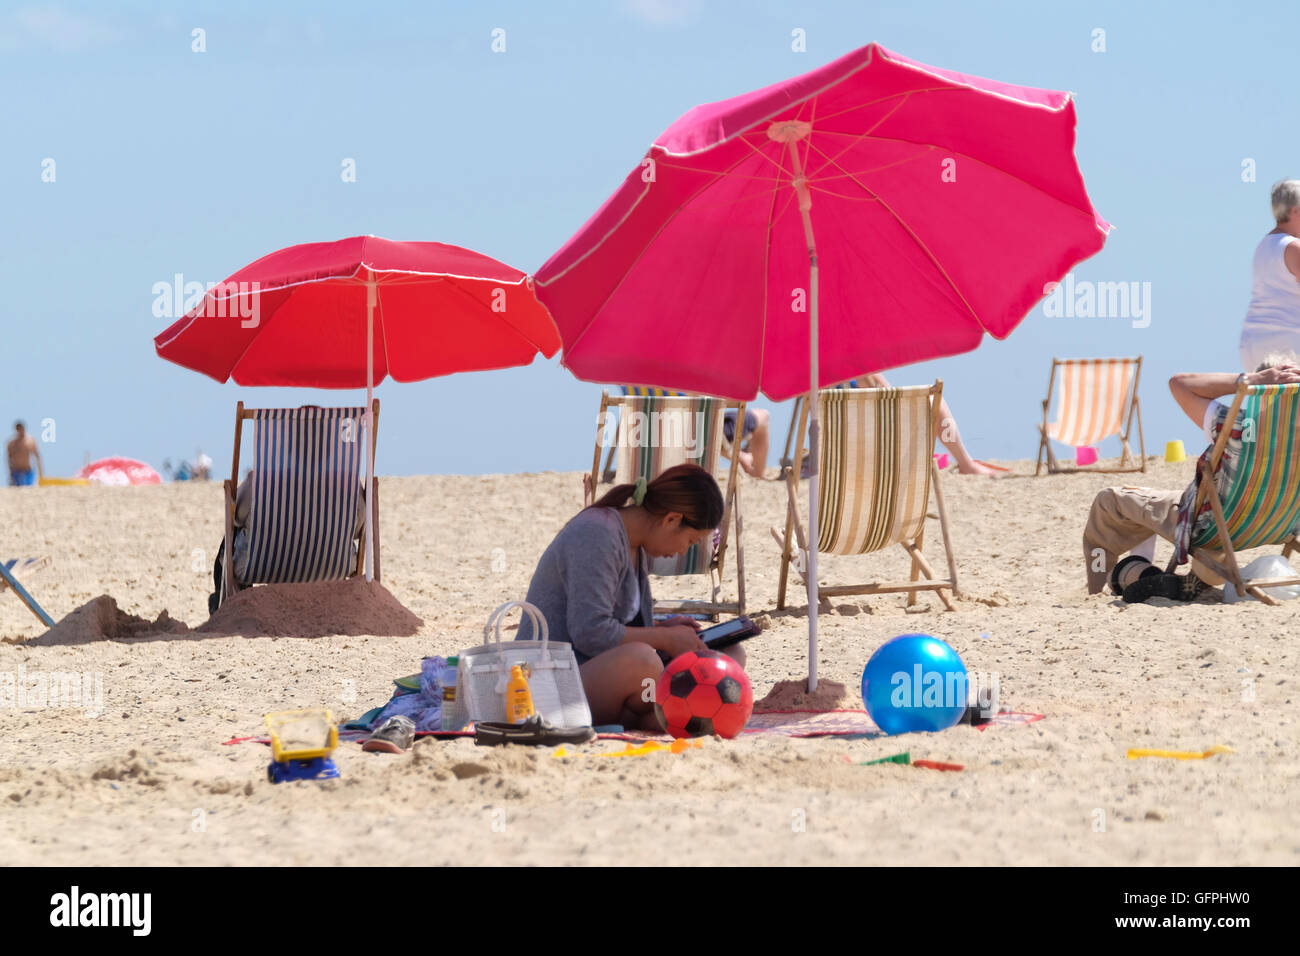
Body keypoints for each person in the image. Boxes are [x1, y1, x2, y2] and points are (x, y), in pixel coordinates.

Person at [516, 463, 744, 730]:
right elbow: (590, 633)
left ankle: (656, 715)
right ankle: (658, 714)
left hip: (597, 675)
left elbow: (616, 627)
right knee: (642, 662)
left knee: (730, 654)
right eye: (691, 541)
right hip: (550, 685)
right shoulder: (597, 534)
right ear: (672, 519)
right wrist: (665, 639)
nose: (684, 551)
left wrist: (661, 629)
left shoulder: (634, 545)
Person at [1083, 355, 1300, 602]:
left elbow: (1179, 384)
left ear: (1259, 395)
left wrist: (1252, 379)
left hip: (1211, 527)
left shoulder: (1234, 426)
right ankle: (1172, 577)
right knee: (1151, 508)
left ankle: (1104, 585)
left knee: (1109, 501)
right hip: (1277, 526)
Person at [1238, 180, 1300, 372]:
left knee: (1269, 403)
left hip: (1253, 345)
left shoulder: (1264, 245)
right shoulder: (1293, 247)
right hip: (1288, 345)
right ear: (1296, 211)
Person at [723, 406, 770, 478]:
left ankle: (743, 456)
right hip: (715, 427)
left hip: (708, 427)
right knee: (764, 415)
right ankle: (757, 472)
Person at [6, 421, 43, 487]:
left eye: (21, 429)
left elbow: (37, 456)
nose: (20, 431)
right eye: (18, 429)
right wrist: (10, 473)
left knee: (29, 488)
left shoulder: (30, 441)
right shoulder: (12, 443)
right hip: (16, 472)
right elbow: (9, 459)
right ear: (16, 430)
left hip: (27, 471)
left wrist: (40, 473)